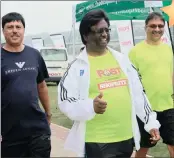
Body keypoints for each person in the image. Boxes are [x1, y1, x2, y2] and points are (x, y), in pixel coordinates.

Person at [57, 9, 161, 157]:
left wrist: (150, 123)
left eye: (107, 30)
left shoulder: (122, 60)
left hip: (125, 138)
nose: (105, 34)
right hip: (96, 142)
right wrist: (90, 106)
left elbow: (138, 94)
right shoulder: (77, 67)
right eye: (99, 31)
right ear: (86, 35)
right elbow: (65, 101)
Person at [1, 12, 52, 157]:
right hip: (9, 131)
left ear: (24, 30)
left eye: (18, 26)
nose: (15, 30)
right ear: (3, 31)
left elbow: (41, 86)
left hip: (38, 129)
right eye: (10, 27)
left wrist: (48, 112)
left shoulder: (34, 55)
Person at [129, 12, 174, 158]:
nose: (157, 29)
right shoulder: (135, 52)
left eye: (161, 26)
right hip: (146, 110)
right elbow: (131, 82)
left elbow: (171, 74)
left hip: (169, 105)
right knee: (143, 148)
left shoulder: (168, 49)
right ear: (145, 27)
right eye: (153, 26)